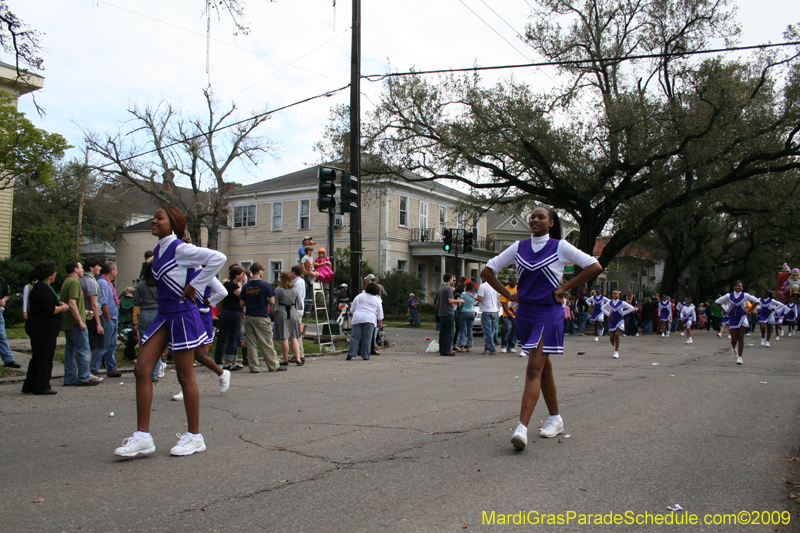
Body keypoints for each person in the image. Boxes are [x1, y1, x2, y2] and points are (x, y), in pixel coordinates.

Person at [482, 206, 602, 450]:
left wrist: (565, 287)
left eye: (541, 217)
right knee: (544, 367)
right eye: (533, 217)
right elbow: (487, 270)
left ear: (551, 223)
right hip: (526, 313)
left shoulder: (560, 247)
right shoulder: (519, 247)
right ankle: (556, 418)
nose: (535, 219)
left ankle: (521, 428)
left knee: (534, 367)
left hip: (549, 312)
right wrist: (508, 294)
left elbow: (594, 266)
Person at [114, 206, 226, 458]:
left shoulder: (180, 248)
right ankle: (143, 437)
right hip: (164, 314)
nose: (153, 220)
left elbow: (218, 258)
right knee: (142, 368)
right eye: (153, 216)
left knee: (185, 376)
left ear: (172, 223)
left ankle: (195, 436)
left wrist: (195, 285)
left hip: (182, 315)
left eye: (159, 218)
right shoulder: (158, 249)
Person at [22, 261, 70, 395]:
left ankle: (30, 384)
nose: (55, 275)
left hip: (41, 328)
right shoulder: (42, 288)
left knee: (37, 357)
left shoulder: (42, 287)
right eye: (54, 272)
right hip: (43, 329)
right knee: (44, 358)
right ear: (49, 274)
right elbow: (49, 309)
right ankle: (42, 385)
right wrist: (63, 308)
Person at [61, 261, 102, 387]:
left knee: (70, 350)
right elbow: (72, 303)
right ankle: (84, 376)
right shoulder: (74, 282)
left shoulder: (66, 282)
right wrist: (80, 320)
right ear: (75, 270)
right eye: (81, 268)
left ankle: (69, 377)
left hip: (67, 321)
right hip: (75, 322)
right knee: (84, 349)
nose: (83, 270)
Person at [240, 263, 282, 373]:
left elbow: (241, 303)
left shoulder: (246, 286)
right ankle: (273, 365)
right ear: (259, 271)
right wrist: (265, 299)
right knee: (266, 341)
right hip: (261, 315)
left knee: (251, 342)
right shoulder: (266, 285)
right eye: (262, 270)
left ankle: (254, 366)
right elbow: (272, 301)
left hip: (249, 316)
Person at [715, 281, 760, 365]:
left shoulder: (745, 295)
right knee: (733, 339)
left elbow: (756, 301)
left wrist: (749, 310)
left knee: (741, 338)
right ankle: (733, 348)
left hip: (742, 318)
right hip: (732, 318)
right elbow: (717, 302)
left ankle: (740, 357)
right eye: (736, 286)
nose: (737, 287)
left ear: (742, 288)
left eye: (739, 286)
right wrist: (724, 311)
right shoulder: (729, 295)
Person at [133, 262, 164, 383]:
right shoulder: (161, 284)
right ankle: (154, 373)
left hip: (144, 314)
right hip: (158, 314)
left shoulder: (141, 285)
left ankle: (143, 371)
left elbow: (136, 302)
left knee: (144, 345)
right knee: (157, 345)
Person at [91, 262, 122, 378]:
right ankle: (94, 368)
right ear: (112, 270)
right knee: (103, 345)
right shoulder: (103, 283)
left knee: (112, 345)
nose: (117, 272)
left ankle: (111, 367)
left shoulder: (109, 283)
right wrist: (108, 319)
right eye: (116, 269)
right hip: (108, 319)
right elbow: (104, 303)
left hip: (114, 318)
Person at [217, 265, 246, 370]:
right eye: (242, 274)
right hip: (231, 313)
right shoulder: (231, 285)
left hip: (232, 312)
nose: (243, 276)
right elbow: (243, 295)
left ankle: (232, 360)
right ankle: (227, 362)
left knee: (235, 337)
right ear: (237, 275)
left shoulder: (233, 284)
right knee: (232, 338)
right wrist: (245, 283)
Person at [347, 282, 384, 360]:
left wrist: (352, 315)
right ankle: (365, 355)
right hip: (369, 319)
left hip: (357, 318)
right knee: (367, 338)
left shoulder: (359, 296)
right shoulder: (377, 299)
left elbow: (352, 308)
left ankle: (351, 353)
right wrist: (380, 321)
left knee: (355, 337)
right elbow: (380, 312)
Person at [274, 272, 304, 366]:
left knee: (285, 337)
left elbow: (274, 305)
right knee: (294, 337)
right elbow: (299, 304)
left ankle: (285, 359)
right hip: (293, 312)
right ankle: (298, 359)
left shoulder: (278, 290)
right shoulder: (294, 290)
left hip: (282, 312)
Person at [81, 257, 106, 362]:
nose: (100, 268)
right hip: (92, 316)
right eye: (98, 266)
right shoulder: (90, 281)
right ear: (91, 268)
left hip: (85, 314)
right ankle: (86, 370)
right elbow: (94, 304)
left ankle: (80, 370)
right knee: (91, 346)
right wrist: (98, 323)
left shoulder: (81, 279)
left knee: (83, 346)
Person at [601, 291, 636, 358]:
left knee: (617, 335)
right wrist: (608, 314)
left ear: (619, 295)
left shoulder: (622, 303)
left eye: (616, 294)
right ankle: (614, 347)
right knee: (611, 338)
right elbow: (603, 308)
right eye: (613, 294)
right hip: (612, 321)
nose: (614, 295)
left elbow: (631, 308)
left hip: (620, 321)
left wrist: (623, 313)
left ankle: (616, 352)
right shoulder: (609, 303)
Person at [435, 274, 463, 356]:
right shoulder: (449, 288)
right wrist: (459, 301)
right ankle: (447, 350)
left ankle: (442, 349)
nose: (453, 281)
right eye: (452, 279)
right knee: (449, 332)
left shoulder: (440, 288)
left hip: (441, 312)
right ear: (450, 279)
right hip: (448, 312)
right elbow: (450, 300)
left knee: (443, 332)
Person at [0, 273, 20, 369]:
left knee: (2, 336)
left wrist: (4, 299)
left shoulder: (1, 280)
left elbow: (7, 295)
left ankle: (8, 359)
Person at [476, 274, 499, 354]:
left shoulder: (482, 286)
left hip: (486, 310)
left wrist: (474, 297)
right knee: (492, 330)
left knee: (487, 331)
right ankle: (488, 347)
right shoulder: (494, 285)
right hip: (495, 310)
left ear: (483, 277)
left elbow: (481, 299)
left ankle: (491, 348)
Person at [289, 266, 307, 363]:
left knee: (296, 332)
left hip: (296, 309)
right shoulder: (299, 282)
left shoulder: (298, 283)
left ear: (294, 272)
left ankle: (300, 354)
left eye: (291, 272)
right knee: (295, 332)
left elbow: (297, 296)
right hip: (296, 309)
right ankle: (297, 353)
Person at [499, 276, 518, 353]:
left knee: (514, 330)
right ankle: (504, 345)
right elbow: (503, 303)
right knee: (507, 329)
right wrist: (507, 313)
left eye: (511, 280)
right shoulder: (506, 289)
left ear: (514, 281)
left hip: (516, 314)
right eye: (508, 280)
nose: (509, 282)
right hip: (507, 314)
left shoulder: (518, 288)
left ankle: (511, 346)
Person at [457, 284, 476, 352]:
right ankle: (469, 347)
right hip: (471, 312)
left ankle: (462, 346)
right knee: (470, 330)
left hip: (464, 312)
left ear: (466, 287)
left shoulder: (464, 294)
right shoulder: (474, 294)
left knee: (462, 330)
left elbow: (460, 301)